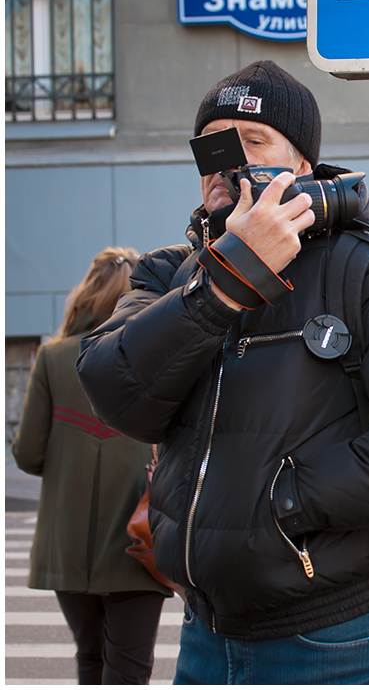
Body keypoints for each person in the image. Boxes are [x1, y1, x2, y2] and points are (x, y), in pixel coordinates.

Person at [76, 61, 369, 685]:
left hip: (326, 635)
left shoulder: (359, 267)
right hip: (203, 632)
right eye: (213, 144)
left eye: (253, 141)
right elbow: (116, 391)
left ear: (301, 166)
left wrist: (292, 502)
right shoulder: (169, 275)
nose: (229, 161)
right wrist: (225, 282)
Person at [13, 246, 172, 684]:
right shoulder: (156, 356)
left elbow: (28, 455)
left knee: (90, 658)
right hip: (138, 543)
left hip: (68, 545)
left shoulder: (52, 357)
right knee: (129, 669)